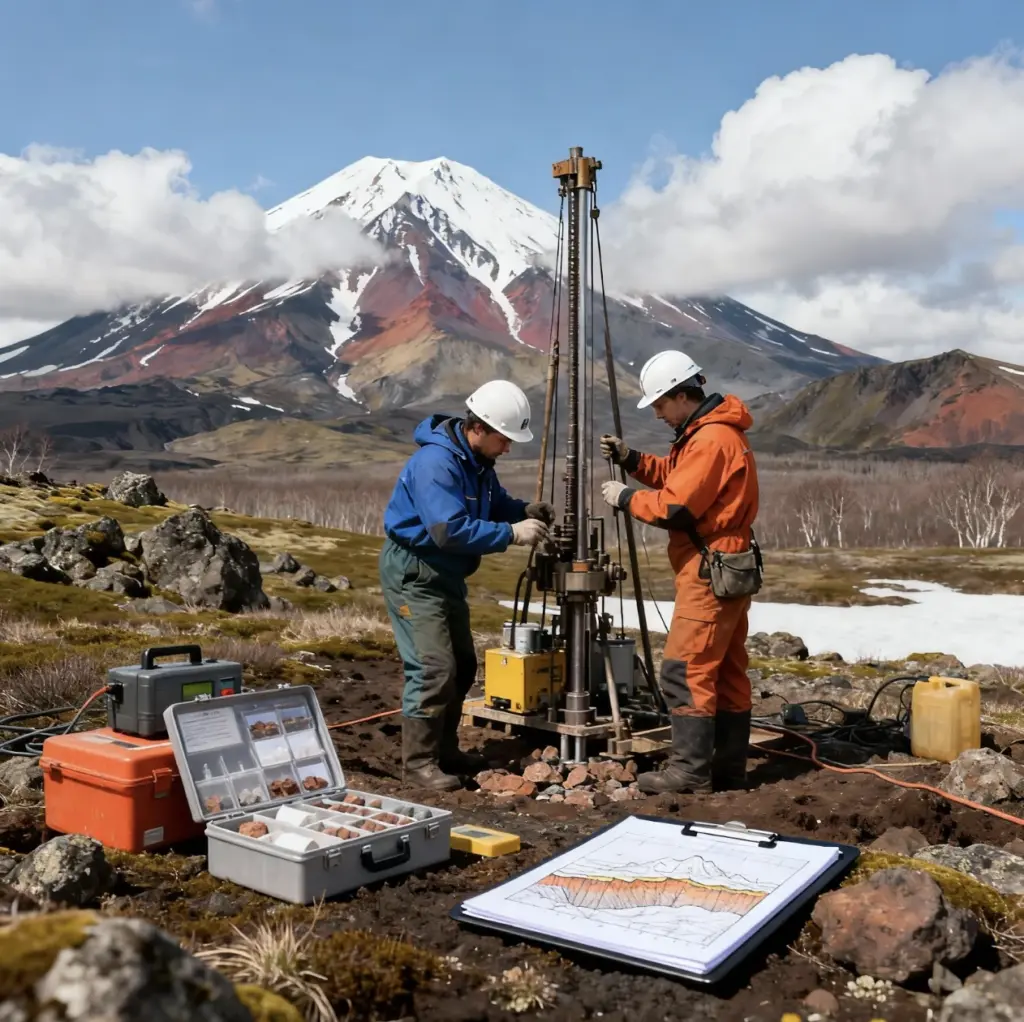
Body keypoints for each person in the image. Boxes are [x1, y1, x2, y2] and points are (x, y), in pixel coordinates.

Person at [379, 380, 555, 791]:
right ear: (480, 427)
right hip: (416, 572)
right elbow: (448, 529)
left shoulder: (475, 463)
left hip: (446, 574)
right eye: (504, 439)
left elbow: (491, 504)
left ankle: (444, 750)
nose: (507, 448)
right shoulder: (436, 464)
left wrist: (523, 510)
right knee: (434, 667)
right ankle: (419, 763)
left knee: (463, 664)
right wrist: (512, 534)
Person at [599, 349, 760, 794]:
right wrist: (632, 459)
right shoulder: (707, 435)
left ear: (680, 395)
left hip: (709, 570)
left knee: (683, 669)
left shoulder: (711, 440)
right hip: (724, 564)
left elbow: (677, 504)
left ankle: (689, 773)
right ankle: (728, 771)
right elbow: (678, 475)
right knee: (724, 670)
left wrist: (626, 498)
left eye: (659, 403)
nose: (657, 412)